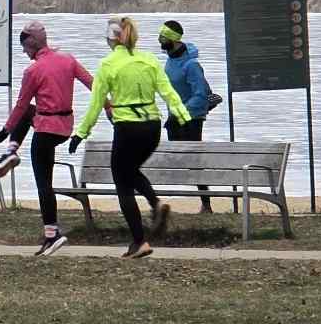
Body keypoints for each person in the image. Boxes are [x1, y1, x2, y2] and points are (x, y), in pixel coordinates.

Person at [73, 16, 191, 259]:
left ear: (111, 39)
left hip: (128, 127)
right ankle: (155, 204)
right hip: (152, 127)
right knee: (131, 171)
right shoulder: (149, 59)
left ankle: (139, 241)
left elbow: (96, 105)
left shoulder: (108, 64)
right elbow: (167, 91)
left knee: (123, 181)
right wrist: (183, 115)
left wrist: (80, 133)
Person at [0, 21, 94, 256]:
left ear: (32, 43)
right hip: (65, 127)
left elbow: (21, 103)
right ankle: (11, 152)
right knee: (29, 113)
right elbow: (93, 84)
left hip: (45, 130)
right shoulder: (68, 59)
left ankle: (52, 235)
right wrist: (109, 107)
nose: (24, 52)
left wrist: (5, 131)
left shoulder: (33, 71)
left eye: (25, 47)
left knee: (43, 183)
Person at [159, 20, 223, 213]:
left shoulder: (192, 65)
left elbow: (200, 95)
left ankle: (206, 204)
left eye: (162, 37)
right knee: (179, 159)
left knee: (194, 161)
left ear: (173, 39)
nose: (159, 40)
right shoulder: (170, 61)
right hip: (175, 117)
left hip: (192, 117)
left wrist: (181, 113)